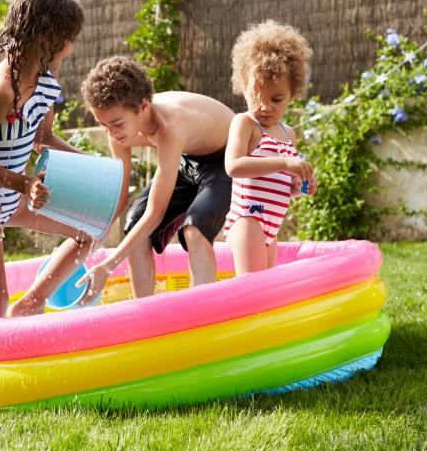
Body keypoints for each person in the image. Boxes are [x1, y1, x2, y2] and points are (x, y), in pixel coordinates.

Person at [0, 0, 90, 317]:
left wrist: (90, 164)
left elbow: (42, 138)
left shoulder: (47, 84)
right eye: (70, 37)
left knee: (87, 234)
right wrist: (25, 184)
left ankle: (31, 304)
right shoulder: (0, 90)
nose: (71, 47)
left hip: (14, 194)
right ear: (49, 38)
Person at [77, 56, 234, 302]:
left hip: (225, 158)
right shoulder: (116, 132)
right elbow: (121, 194)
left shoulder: (171, 125)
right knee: (133, 227)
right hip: (186, 157)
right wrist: (95, 235)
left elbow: (156, 213)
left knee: (195, 228)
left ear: (143, 106)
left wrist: (108, 264)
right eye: (103, 125)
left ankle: (199, 314)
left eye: (117, 123)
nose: (111, 133)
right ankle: (145, 313)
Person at [222, 20, 317, 274]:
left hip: (272, 224)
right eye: (256, 96)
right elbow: (233, 166)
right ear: (243, 87)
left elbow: (282, 185)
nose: (265, 106)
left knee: (266, 285)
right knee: (253, 286)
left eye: (276, 99)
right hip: (248, 218)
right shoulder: (245, 123)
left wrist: (300, 186)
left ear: (292, 94)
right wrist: (285, 162)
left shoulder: (288, 134)